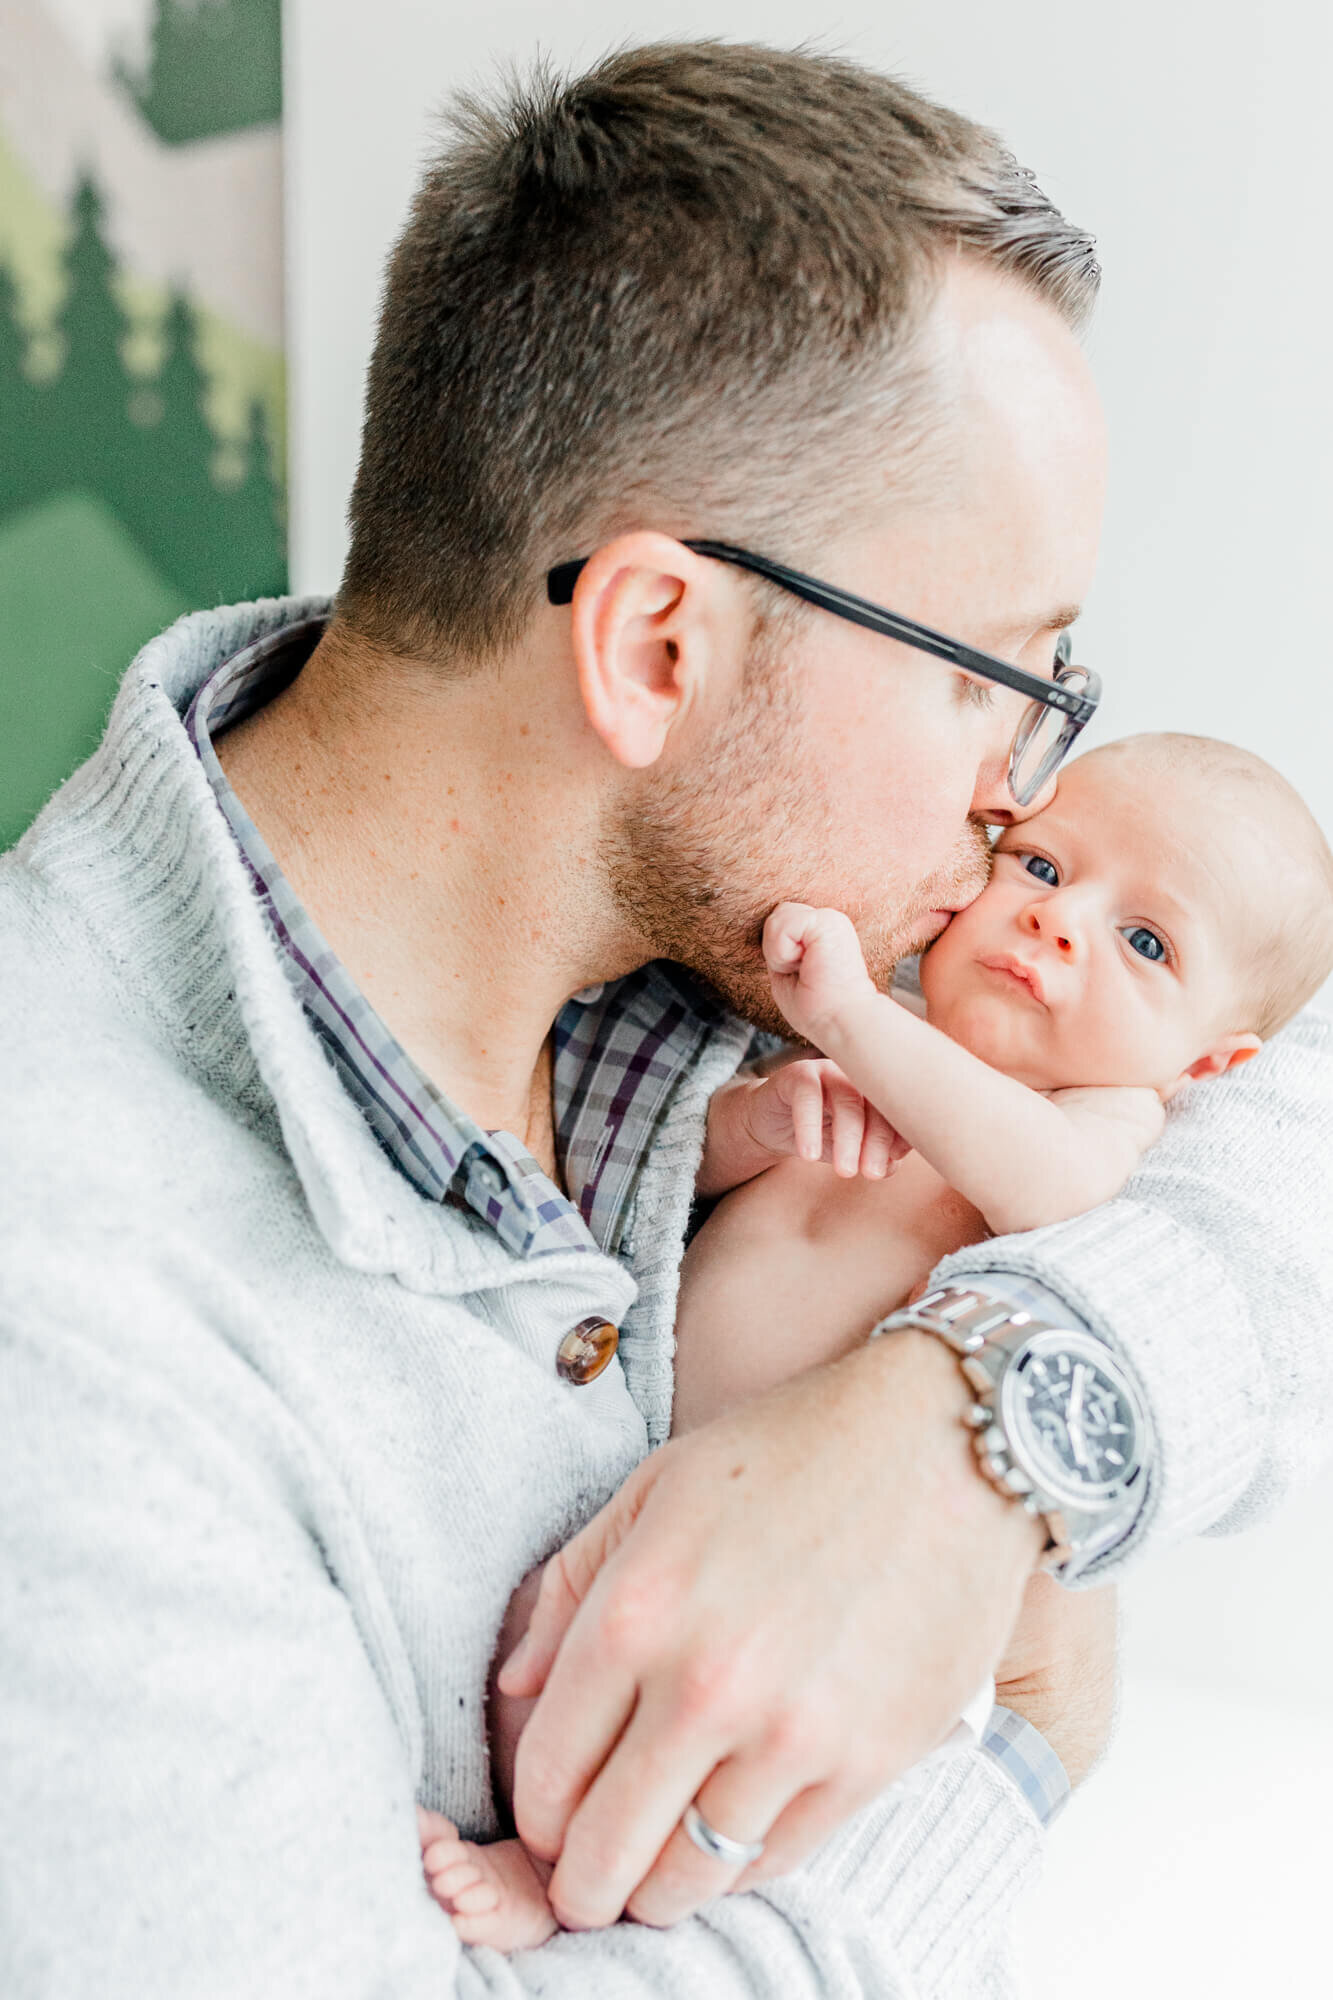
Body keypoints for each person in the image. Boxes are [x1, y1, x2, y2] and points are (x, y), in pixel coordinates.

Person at [1, 41, 1330, 1999]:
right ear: (657, 646)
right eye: (1004, 679)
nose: (1025, 800)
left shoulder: (689, 937)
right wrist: (1015, 1763)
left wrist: (964, 1438)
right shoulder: (69, 1339)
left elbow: (1262, 1083)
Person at [415, 731, 1333, 1949]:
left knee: (707, 1743)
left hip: (808, 1575)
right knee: (556, 1665)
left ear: (1209, 1064)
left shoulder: (1097, 1120)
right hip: (631, 1463)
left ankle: (566, 1889)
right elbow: (666, 1185)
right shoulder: (881, 1025)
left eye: (1145, 941)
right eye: (1046, 867)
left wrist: (846, 1014)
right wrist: (755, 1119)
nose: (1060, 925)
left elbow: (1056, 1198)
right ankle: (528, 1830)